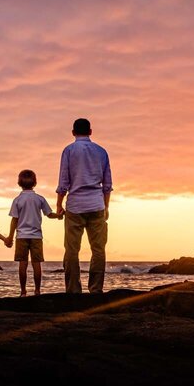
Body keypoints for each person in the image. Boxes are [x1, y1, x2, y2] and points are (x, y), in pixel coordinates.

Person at [55, 118, 113, 294]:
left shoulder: (69, 151)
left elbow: (63, 181)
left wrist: (59, 205)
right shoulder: (101, 152)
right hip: (96, 204)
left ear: (73, 132)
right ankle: (96, 289)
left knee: (72, 250)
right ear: (90, 131)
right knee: (98, 249)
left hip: (75, 206)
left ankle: (73, 290)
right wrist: (106, 207)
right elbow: (107, 184)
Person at [4, 169, 62, 296]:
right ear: (35, 182)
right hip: (36, 236)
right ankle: (37, 291)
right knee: (37, 264)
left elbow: (14, 220)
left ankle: (23, 291)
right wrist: (58, 215)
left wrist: (10, 236)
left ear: (19, 183)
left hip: (21, 236)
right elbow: (49, 214)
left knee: (22, 264)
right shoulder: (39, 199)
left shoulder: (17, 200)